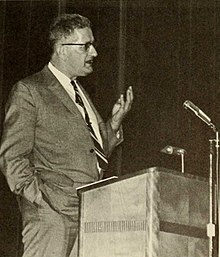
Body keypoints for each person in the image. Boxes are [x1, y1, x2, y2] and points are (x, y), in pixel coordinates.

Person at [0, 13, 133, 257]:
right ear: (62, 49)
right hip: (51, 218)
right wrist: (43, 201)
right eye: (86, 46)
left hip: (88, 213)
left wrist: (112, 125)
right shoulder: (30, 90)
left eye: (92, 45)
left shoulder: (79, 92)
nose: (93, 53)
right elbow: (12, 159)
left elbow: (92, 153)